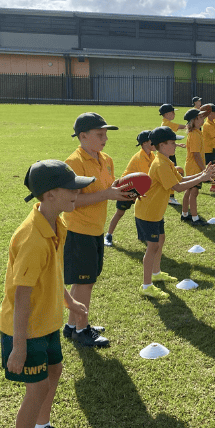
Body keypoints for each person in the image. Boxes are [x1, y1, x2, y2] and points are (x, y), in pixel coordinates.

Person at [0, 160, 93, 428]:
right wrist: (19, 346)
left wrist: (70, 301)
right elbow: (21, 297)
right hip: (26, 330)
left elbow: (51, 275)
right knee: (36, 389)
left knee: (55, 371)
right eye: (72, 189)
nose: (78, 194)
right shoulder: (32, 238)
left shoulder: (57, 224)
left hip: (48, 322)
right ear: (51, 194)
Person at [63, 112, 134, 347]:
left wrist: (121, 190)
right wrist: (107, 194)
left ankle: (72, 325)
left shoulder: (107, 159)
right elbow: (70, 203)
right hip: (78, 230)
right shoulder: (73, 163)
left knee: (82, 281)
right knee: (85, 282)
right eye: (99, 134)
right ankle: (82, 331)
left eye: (106, 134)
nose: (105, 138)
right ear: (83, 136)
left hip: (96, 230)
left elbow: (108, 187)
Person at [136, 127, 215, 300]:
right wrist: (201, 178)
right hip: (148, 212)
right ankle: (146, 285)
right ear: (162, 145)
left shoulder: (166, 161)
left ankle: (156, 273)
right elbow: (178, 188)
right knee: (152, 247)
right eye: (172, 143)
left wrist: (201, 174)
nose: (176, 145)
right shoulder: (160, 164)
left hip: (156, 211)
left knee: (160, 240)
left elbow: (180, 180)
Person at [104, 130, 154, 248]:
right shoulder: (139, 158)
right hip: (126, 189)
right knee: (120, 213)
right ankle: (108, 235)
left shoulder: (152, 155)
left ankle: (143, 235)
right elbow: (144, 177)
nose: (155, 142)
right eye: (153, 140)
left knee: (144, 211)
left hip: (139, 188)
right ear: (145, 143)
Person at [181, 108, 208, 225]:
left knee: (189, 190)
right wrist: (204, 169)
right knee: (194, 192)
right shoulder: (195, 135)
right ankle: (195, 218)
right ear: (193, 121)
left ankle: (185, 214)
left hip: (192, 166)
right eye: (200, 118)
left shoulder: (196, 133)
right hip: (194, 167)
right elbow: (196, 154)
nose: (203, 119)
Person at [160, 104, 184, 205]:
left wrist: (177, 144)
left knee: (172, 173)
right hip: (168, 153)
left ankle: (169, 195)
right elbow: (179, 126)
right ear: (167, 114)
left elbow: (168, 140)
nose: (174, 114)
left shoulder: (166, 123)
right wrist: (189, 126)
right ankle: (170, 197)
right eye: (172, 112)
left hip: (168, 151)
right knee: (172, 174)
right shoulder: (167, 124)